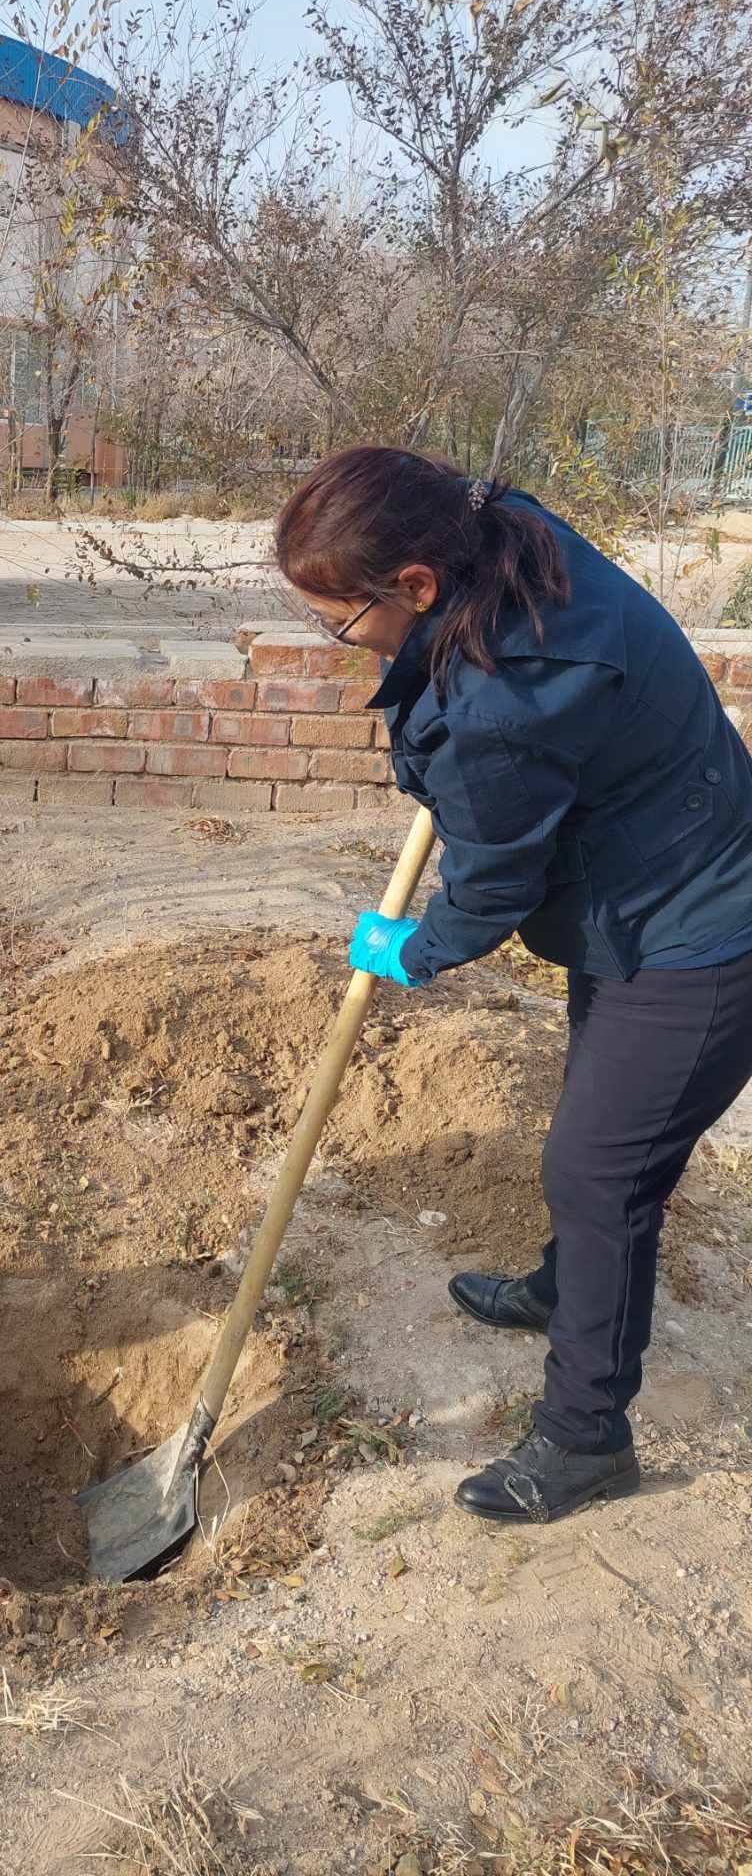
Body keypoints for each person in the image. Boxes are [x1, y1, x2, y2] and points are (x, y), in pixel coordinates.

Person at [276, 447, 752, 1524]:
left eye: (337, 620)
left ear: (417, 585)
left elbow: (490, 882)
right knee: (604, 1124)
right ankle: (566, 1285)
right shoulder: (493, 527)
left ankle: (586, 1437)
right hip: (646, 871)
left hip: (706, 926)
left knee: (596, 1168)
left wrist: (416, 947)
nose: (336, 642)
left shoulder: (507, 701)